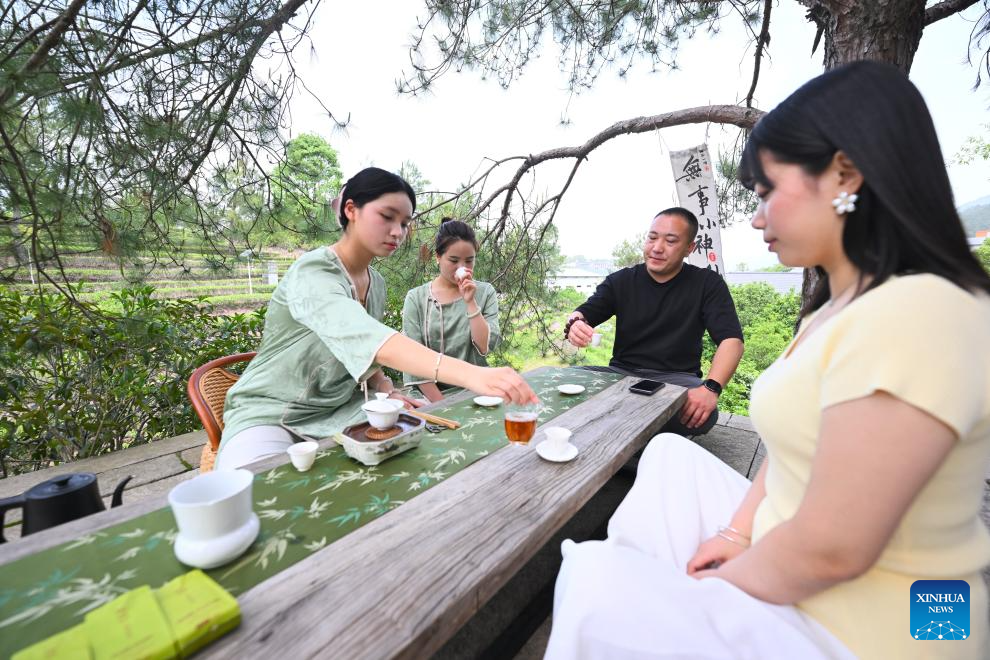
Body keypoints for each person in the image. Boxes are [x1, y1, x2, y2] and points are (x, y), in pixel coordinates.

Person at [546, 61, 990, 660]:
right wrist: (736, 532)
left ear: (845, 175)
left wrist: (716, 586)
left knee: (595, 580)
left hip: (881, 626)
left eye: (766, 193)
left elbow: (834, 547)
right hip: (788, 531)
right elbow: (790, 454)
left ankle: (644, 600)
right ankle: (649, 598)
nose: (757, 217)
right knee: (669, 457)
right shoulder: (841, 305)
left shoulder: (918, 309)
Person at [217, 168, 537, 470]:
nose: (398, 231)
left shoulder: (376, 283)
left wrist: (387, 388)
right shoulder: (314, 271)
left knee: (421, 457)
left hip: (340, 410)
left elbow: (360, 356)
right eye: (387, 216)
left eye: (405, 223)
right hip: (271, 412)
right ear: (351, 210)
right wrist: (473, 375)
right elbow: (364, 337)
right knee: (250, 491)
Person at [564, 207, 744, 435]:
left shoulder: (707, 283)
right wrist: (575, 324)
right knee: (564, 381)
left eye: (670, 241)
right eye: (652, 238)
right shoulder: (621, 281)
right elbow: (584, 313)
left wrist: (711, 388)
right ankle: (634, 424)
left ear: (689, 248)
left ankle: (620, 422)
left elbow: (732, 341)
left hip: (677, 381)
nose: (657, 248)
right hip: (621, 375)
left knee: (703, 415)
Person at [401, 218, 500, 402]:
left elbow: (484, 346)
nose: (462, 267)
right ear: (438, 257)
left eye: (469, 261)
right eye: (453, 260)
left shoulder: (485, 292)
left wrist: (470, 302)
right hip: (427, 395)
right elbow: (413, 359)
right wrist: (443, 405)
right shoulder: (416, 298)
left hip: (475, 389)